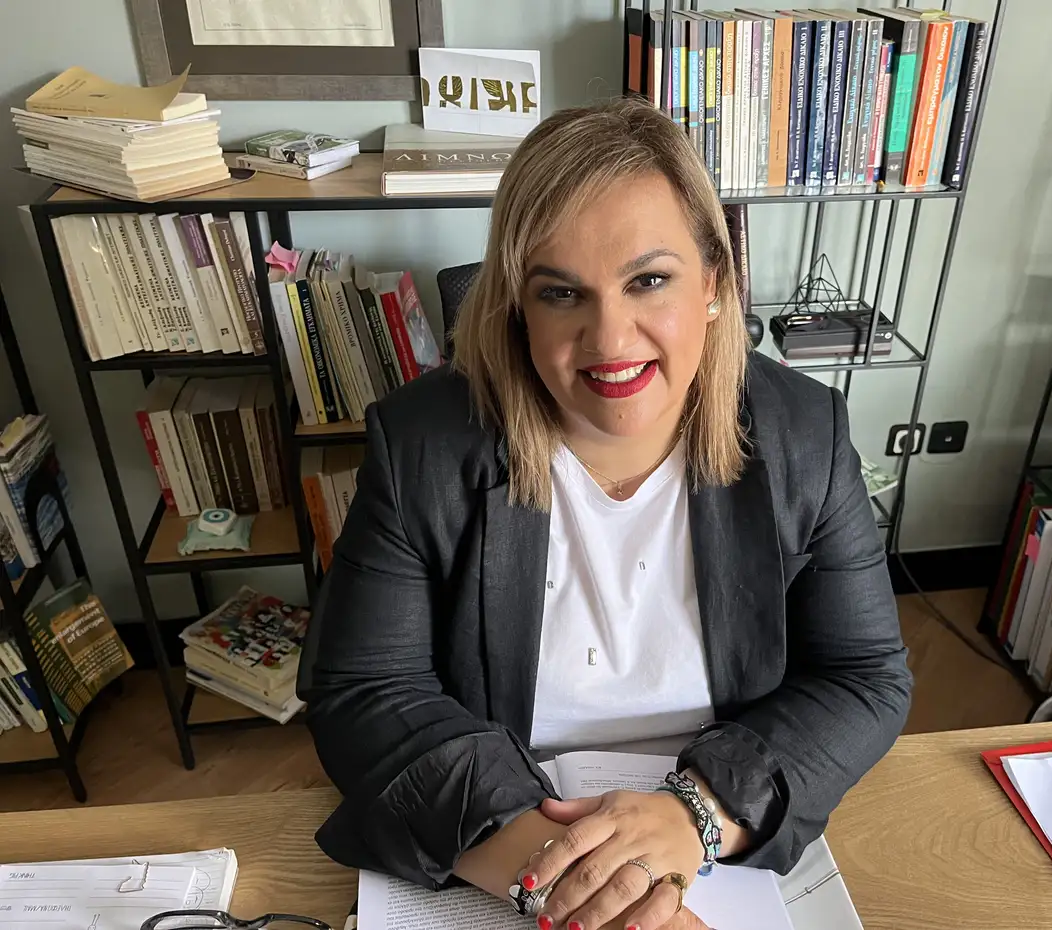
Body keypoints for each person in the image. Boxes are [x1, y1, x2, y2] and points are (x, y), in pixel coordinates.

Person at [300, 96, 912, 930]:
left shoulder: (807, 432)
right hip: (506, 834)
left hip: (713, 840)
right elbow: (365, 692)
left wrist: (697, 814)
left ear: (715, 283)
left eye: (648, 281)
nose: (610, 339)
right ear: (518, 306)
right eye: (562, 293)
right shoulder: (422, 444)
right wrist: (583, 886)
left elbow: (864, 676)